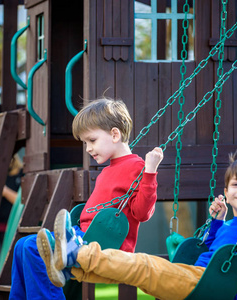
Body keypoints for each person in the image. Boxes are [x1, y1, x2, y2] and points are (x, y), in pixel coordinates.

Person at [38, 156, 237, 300]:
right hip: (193, 276)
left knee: (143, 265)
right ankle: (73, 268)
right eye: (236, 184)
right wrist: (217, 223)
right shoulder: (229, 224)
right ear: (227, 195)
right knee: (131, 270)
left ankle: (75, 253)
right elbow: (209, 251)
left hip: (210, 286)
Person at [9, 98, 164, 299]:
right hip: (84, 236)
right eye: (85, 143)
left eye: (92, 140)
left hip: (105, 243)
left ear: (115, 134)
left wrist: (150, 171)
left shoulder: (137, 167)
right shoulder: (107, 171)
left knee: (32, 246)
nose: (88, 148)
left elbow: (142, 213)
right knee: (22, 246)